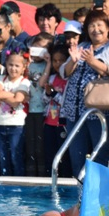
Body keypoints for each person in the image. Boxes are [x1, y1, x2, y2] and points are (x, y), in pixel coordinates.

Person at [61, 10, 109, 172]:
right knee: (76, 158)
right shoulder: (82, 46)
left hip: (101, 113)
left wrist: (92, 62)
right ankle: (80, 193)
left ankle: (103, 194)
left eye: (99, 25)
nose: (95, 29)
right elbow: (64, 72)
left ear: (107, 28)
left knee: (102, 157)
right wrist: (73, 62)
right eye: (91, 25)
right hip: (74, 112)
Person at [0, 50, 31, 176]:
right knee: (3, 158)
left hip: (17, 125)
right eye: (10, 65)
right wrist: (14, 94)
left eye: (17, 66)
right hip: (0, 124)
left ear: (23, 67)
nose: (13, 68)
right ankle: (5, 184)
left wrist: (7, 96)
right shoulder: (1, 78)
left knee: (16, 157)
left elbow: (17, 101)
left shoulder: (24, 82)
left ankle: (18, 185)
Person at [24, 32, 53, 176]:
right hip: (28, 110)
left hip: (43, 111)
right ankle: (30, 174)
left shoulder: (49, 66)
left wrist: (48, 63)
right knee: (30, 144)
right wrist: (27, 61)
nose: (37, 52)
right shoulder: (28, 64)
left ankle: (42, 174)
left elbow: (42, 83)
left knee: (41, 145)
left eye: (42, 49)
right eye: (35, 48)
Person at [42, 45, 70, 178]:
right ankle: (50, 180)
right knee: (49, 154)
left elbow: (66, 103)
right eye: (55, 61)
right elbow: (44, 98)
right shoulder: (52, 78)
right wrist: (48, 94)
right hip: (49, 122)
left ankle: (64, 181)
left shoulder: (69, 79)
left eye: (62, 60)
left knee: (63, 157)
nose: (58, 64)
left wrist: (53, 94)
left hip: (62, 123)